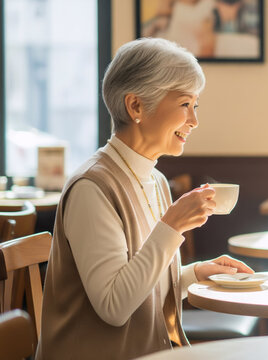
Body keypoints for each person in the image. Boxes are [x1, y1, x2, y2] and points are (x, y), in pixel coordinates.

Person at [36, 38, 253, 359]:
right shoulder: (92, 187)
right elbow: (114, 306)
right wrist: (171, 226)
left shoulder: (156, 181)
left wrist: (194, 275)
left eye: (196, 105)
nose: (194, 120)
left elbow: (140, 288)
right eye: (184, 105)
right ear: (135, 106)